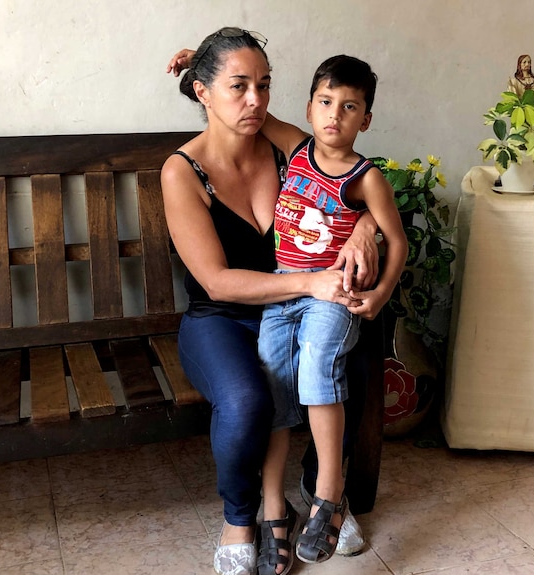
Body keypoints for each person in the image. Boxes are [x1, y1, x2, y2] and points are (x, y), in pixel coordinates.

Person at [162, 28, 380, 575]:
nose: (255, 101)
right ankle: (243, 515)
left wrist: (366, 227)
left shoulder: (284, 142)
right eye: (239, 87)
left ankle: (318, 491)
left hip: (293, 311)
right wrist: (310, 283)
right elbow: (216, 281)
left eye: (264, 85)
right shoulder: (180, 171)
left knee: (350, 354)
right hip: (222, 320)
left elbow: (357, 174)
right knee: (246, 401)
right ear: (201, 93)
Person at [255, 55, 407, 574]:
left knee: (319, 363)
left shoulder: (366, 179)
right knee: (272, 377)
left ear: (365, 119)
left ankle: (327, 495)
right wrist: (198, 62)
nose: (334, 116)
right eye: (325, 102)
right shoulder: (296, 147)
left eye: (349, 107)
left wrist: (381, 293)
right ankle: (275, 498)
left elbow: (397, 240)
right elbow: (247, 103)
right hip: (282, 291)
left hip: (333, 296)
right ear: (309, 106)